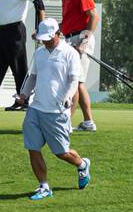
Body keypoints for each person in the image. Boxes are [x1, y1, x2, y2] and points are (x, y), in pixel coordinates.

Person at [15, 18, 91, 201]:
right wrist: (24, 94)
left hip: (57, 111)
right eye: (43, 39)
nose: (46, 41)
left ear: (58, 34)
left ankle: (82, 164)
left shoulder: (69, 53)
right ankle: (44, 186)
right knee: (33, 148)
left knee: (61, 152)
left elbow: (74, 80)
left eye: (49, 38)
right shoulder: (40, 53)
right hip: (36, 108)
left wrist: (67, 97)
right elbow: (32, 77)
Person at [45, 0, 98, 131]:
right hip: (71, 39)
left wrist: (84, 42)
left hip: (81, 38)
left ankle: (65, 122)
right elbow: (68, 23)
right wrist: (48, 33)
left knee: (74, 81)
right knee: (78, 82)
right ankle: (88, 122)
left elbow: (93, 17)